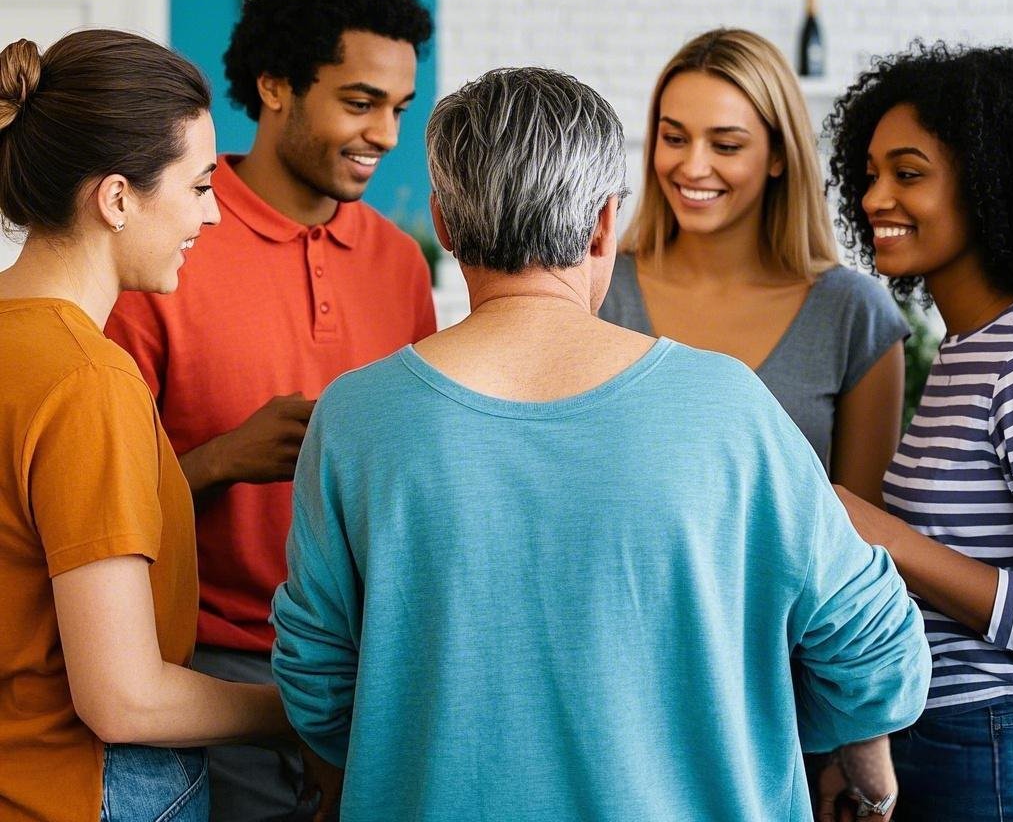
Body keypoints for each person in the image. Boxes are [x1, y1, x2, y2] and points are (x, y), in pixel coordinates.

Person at [271, 66, 930, 822]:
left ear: (445, 224)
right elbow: (874, 651)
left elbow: (318, 682)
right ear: (603, 224)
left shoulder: (357, 417)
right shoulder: (727, 407)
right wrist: (864, 766)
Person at [105, 0, 437, 822]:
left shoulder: (399, 263)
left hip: (372, 672)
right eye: (360, 103)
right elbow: (89, 509)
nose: (388, 136)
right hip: (211, 673)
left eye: (400, 108)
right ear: (276, 84)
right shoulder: (169, 244)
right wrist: (222, 458)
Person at [0, 29, 289, 822]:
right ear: (118, 197)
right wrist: (303, 714)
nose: (216, 213)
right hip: (82, 790)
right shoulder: (88, 379)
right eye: (199, 186)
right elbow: (125, 700)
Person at [827, 42, 1013, 821]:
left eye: (907, 174)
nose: (876, 197)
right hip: (933, 735)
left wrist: (884, 537)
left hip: (991, 740)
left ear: (991, 182)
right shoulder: (964, 350)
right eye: (870, 174)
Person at [600, 28, 907, 505]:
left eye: (725, 146)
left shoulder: (853, 315)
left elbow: (863, 542)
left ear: (779, 155)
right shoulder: (595, 291)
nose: (693, 167)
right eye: (674, 137)